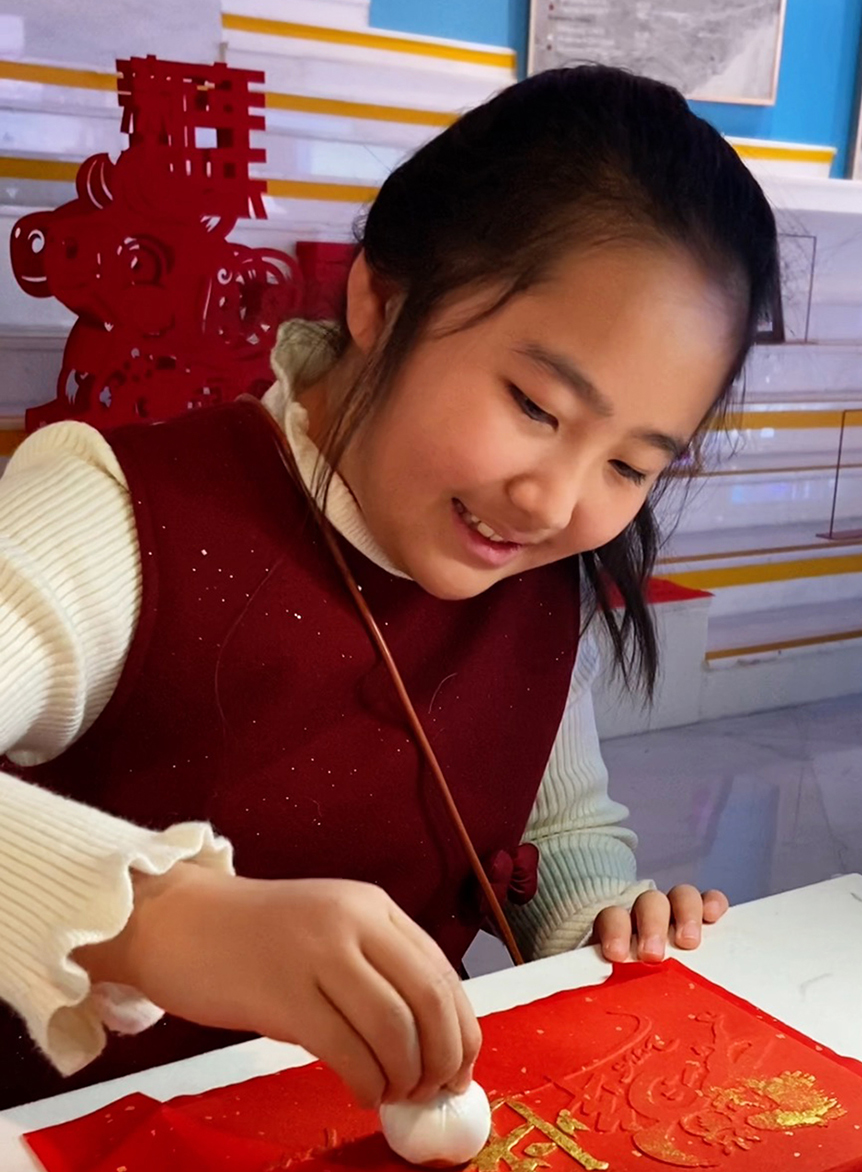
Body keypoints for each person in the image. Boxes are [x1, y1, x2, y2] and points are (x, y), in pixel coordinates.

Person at [0, 65, 780, 1112]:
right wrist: (158, 921)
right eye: (536, 406)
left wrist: (603, 917)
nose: (552, 501)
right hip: (61, 1171)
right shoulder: (120, 512)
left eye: (630, 466)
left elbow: (556, 829)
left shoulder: (530, 575)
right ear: (381, 295)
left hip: (351, 1167)